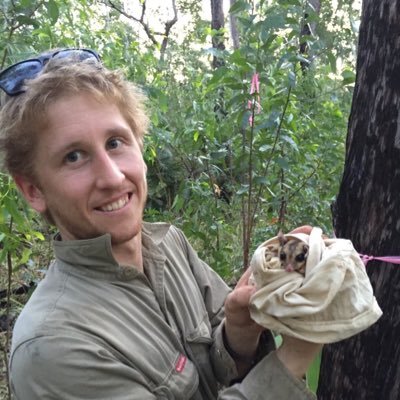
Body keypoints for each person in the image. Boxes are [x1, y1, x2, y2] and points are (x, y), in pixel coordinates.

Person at [0, 48, 320, 399]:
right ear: (33, 190)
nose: (112, 176)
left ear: (139, 146)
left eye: (115, 142)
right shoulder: (53, 348)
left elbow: (215, 368)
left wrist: (240, 330)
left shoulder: (170, 246)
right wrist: (295, 356)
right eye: (73, 156)